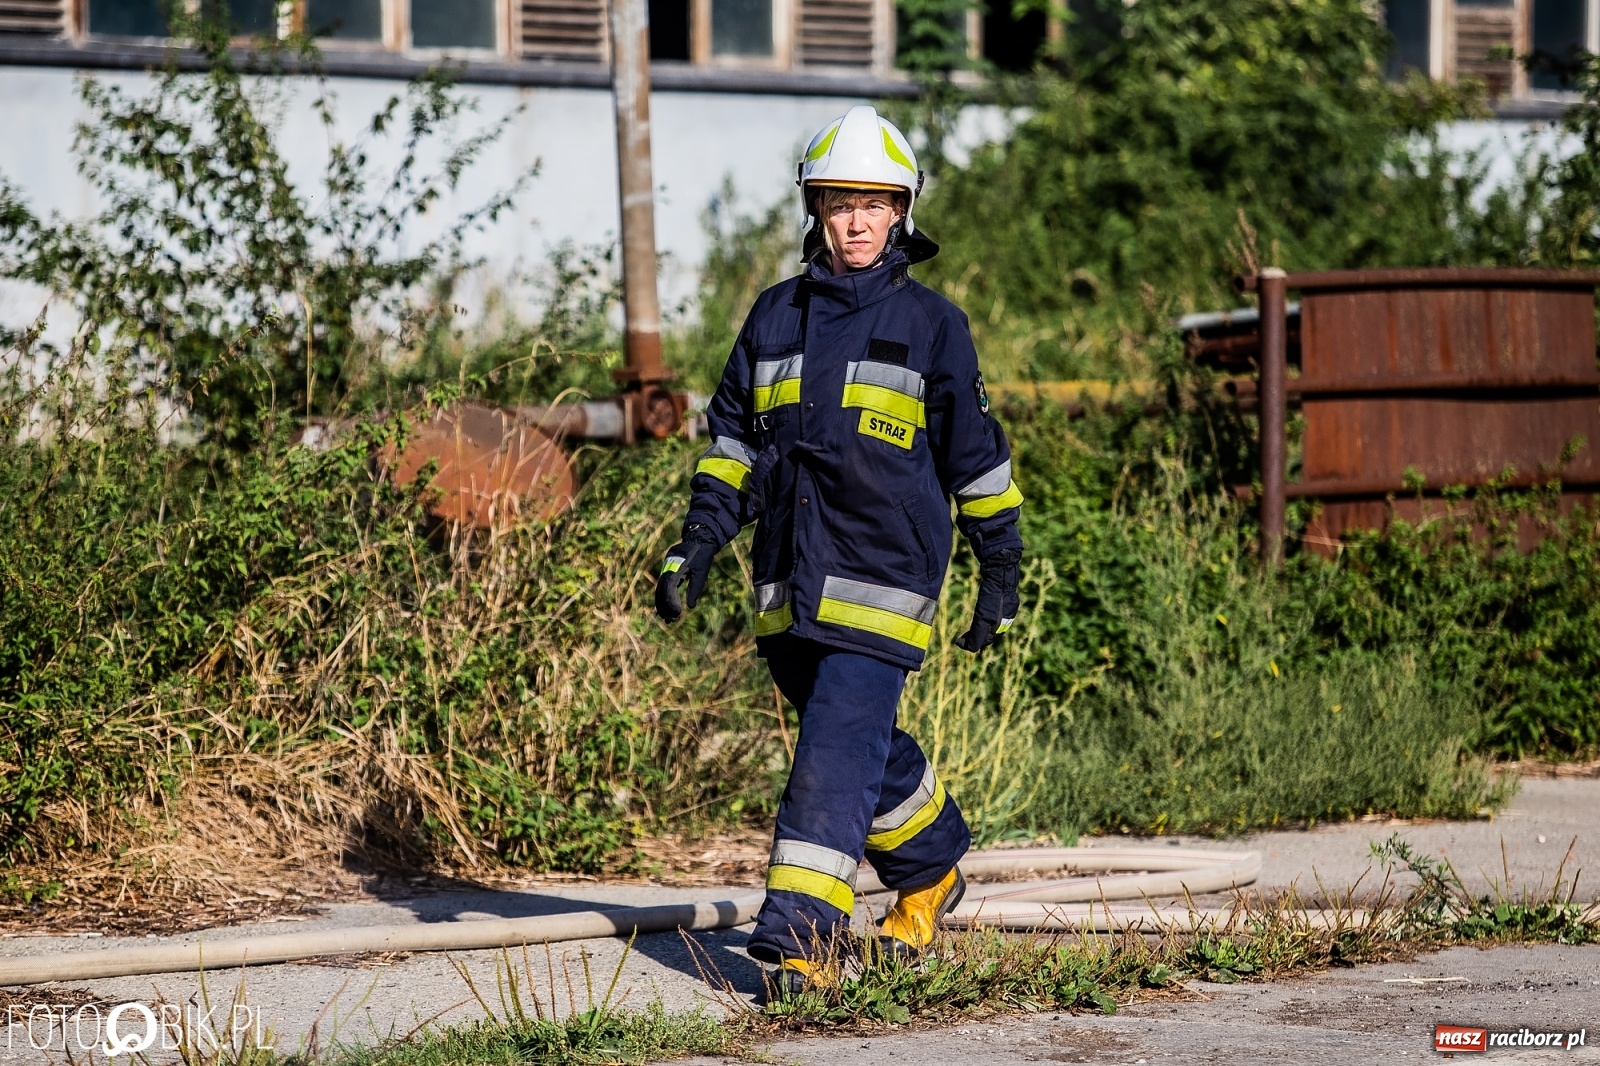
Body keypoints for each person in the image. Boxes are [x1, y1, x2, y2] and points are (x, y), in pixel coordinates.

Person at [654, 104, 1024, 998]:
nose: (855, 222)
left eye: (873, 203)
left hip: (883, 583)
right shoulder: (774, 316)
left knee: (829, 753)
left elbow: (976, 460)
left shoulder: (935, 326)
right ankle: (933, 868)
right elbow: (734, 442)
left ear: (902, 211)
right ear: (815, 211)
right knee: (861, 746)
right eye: (837, 203)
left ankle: (801, 940)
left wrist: (998, 566)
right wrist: (699, 541)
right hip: (787, 583)